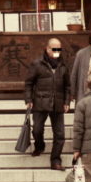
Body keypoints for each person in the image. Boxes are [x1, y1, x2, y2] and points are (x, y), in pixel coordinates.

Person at [24, 36, 71, 170]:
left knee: (60, 135)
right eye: (54, 49)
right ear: (47, 49)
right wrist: (28, 99)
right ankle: (40, 146)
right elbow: (28, 83)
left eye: (59, 49)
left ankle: (56, 160)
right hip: (40, 102)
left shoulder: (63, 65)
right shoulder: (37, 64)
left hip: (58, 104)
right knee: (37, 129)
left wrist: (67, 101)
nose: (57, 51)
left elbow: (68, 86)